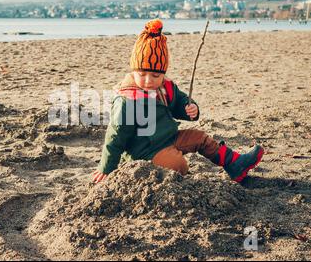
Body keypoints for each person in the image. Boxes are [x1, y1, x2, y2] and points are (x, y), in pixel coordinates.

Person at [91, 19, 264, 184]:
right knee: (178, 165)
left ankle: (234, 164)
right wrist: (106, 168)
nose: (148, 81)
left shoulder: (165, 88)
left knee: (201, 139)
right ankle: (176, 176)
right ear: (133, 71)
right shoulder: (128, 100)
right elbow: (115, 137)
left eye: (155, 75)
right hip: (146, 151)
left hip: (169, 137)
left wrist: (190, 108)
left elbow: (179, 101)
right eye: (141, 74)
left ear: (163, 73)